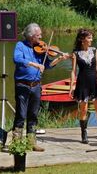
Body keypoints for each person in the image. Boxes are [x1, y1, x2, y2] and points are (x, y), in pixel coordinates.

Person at [12, 23, 70, 151]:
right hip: (22, 85)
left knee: (33, 114)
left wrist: (60, 59)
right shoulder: (20, 46)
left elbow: (48, 65)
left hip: (36, 86)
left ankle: (31, 143)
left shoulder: (41, 48)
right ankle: (16, 143)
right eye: (38, 35)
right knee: (21, 115)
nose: (41, 37)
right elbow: (17, 59)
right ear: (31, 36)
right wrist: (35, 64)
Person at [69, 28, 97, 144]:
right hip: (82, 83)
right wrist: (71, 87)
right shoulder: (75, 53)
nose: (91, 39)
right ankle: (84, 133)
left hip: (94, 82)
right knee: (84, 109)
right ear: (82, 39)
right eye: (89, 37)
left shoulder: (95, 50)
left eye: (91, 37)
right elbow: (73, 71)